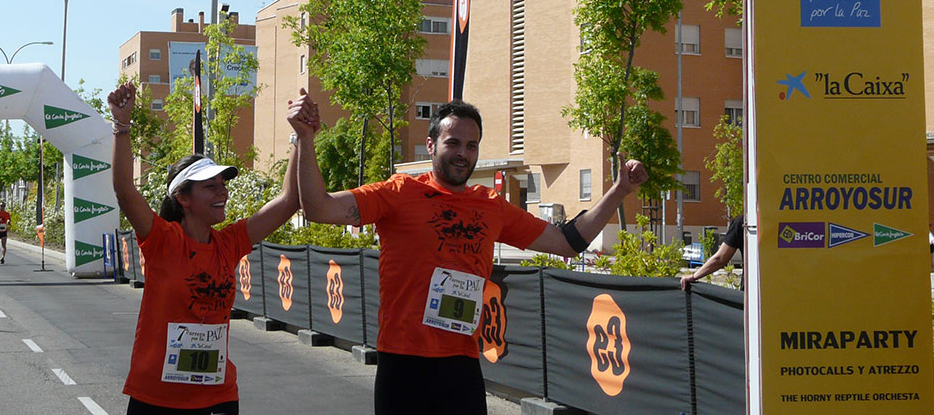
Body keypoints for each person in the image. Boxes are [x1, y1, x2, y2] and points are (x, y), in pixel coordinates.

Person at [288, 96, 648, 415]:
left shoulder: (490, 205)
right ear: (430, 145)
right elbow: (319, 208)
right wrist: (305, 139)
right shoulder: (398, 193)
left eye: (472, 146)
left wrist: (618, 191)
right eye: (453, 143)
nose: (463, 153)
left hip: (461, 362)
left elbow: (567, 242)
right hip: (404, 361)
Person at [108, 82, 303, 415]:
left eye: (223, 185)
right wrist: (122, 126)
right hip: (157, 397)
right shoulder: (164, 241)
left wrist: (299, 138)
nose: (222, 193)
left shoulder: (229, 242)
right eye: (211, 187)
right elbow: (125, 191)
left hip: (217, 395)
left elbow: (288, 202)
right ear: (183, 198)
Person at [681, 215, 745, 290]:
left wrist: (693, 276)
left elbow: (720, 258)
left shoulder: (742, 222)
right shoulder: (749, 223)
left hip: (751, 290)